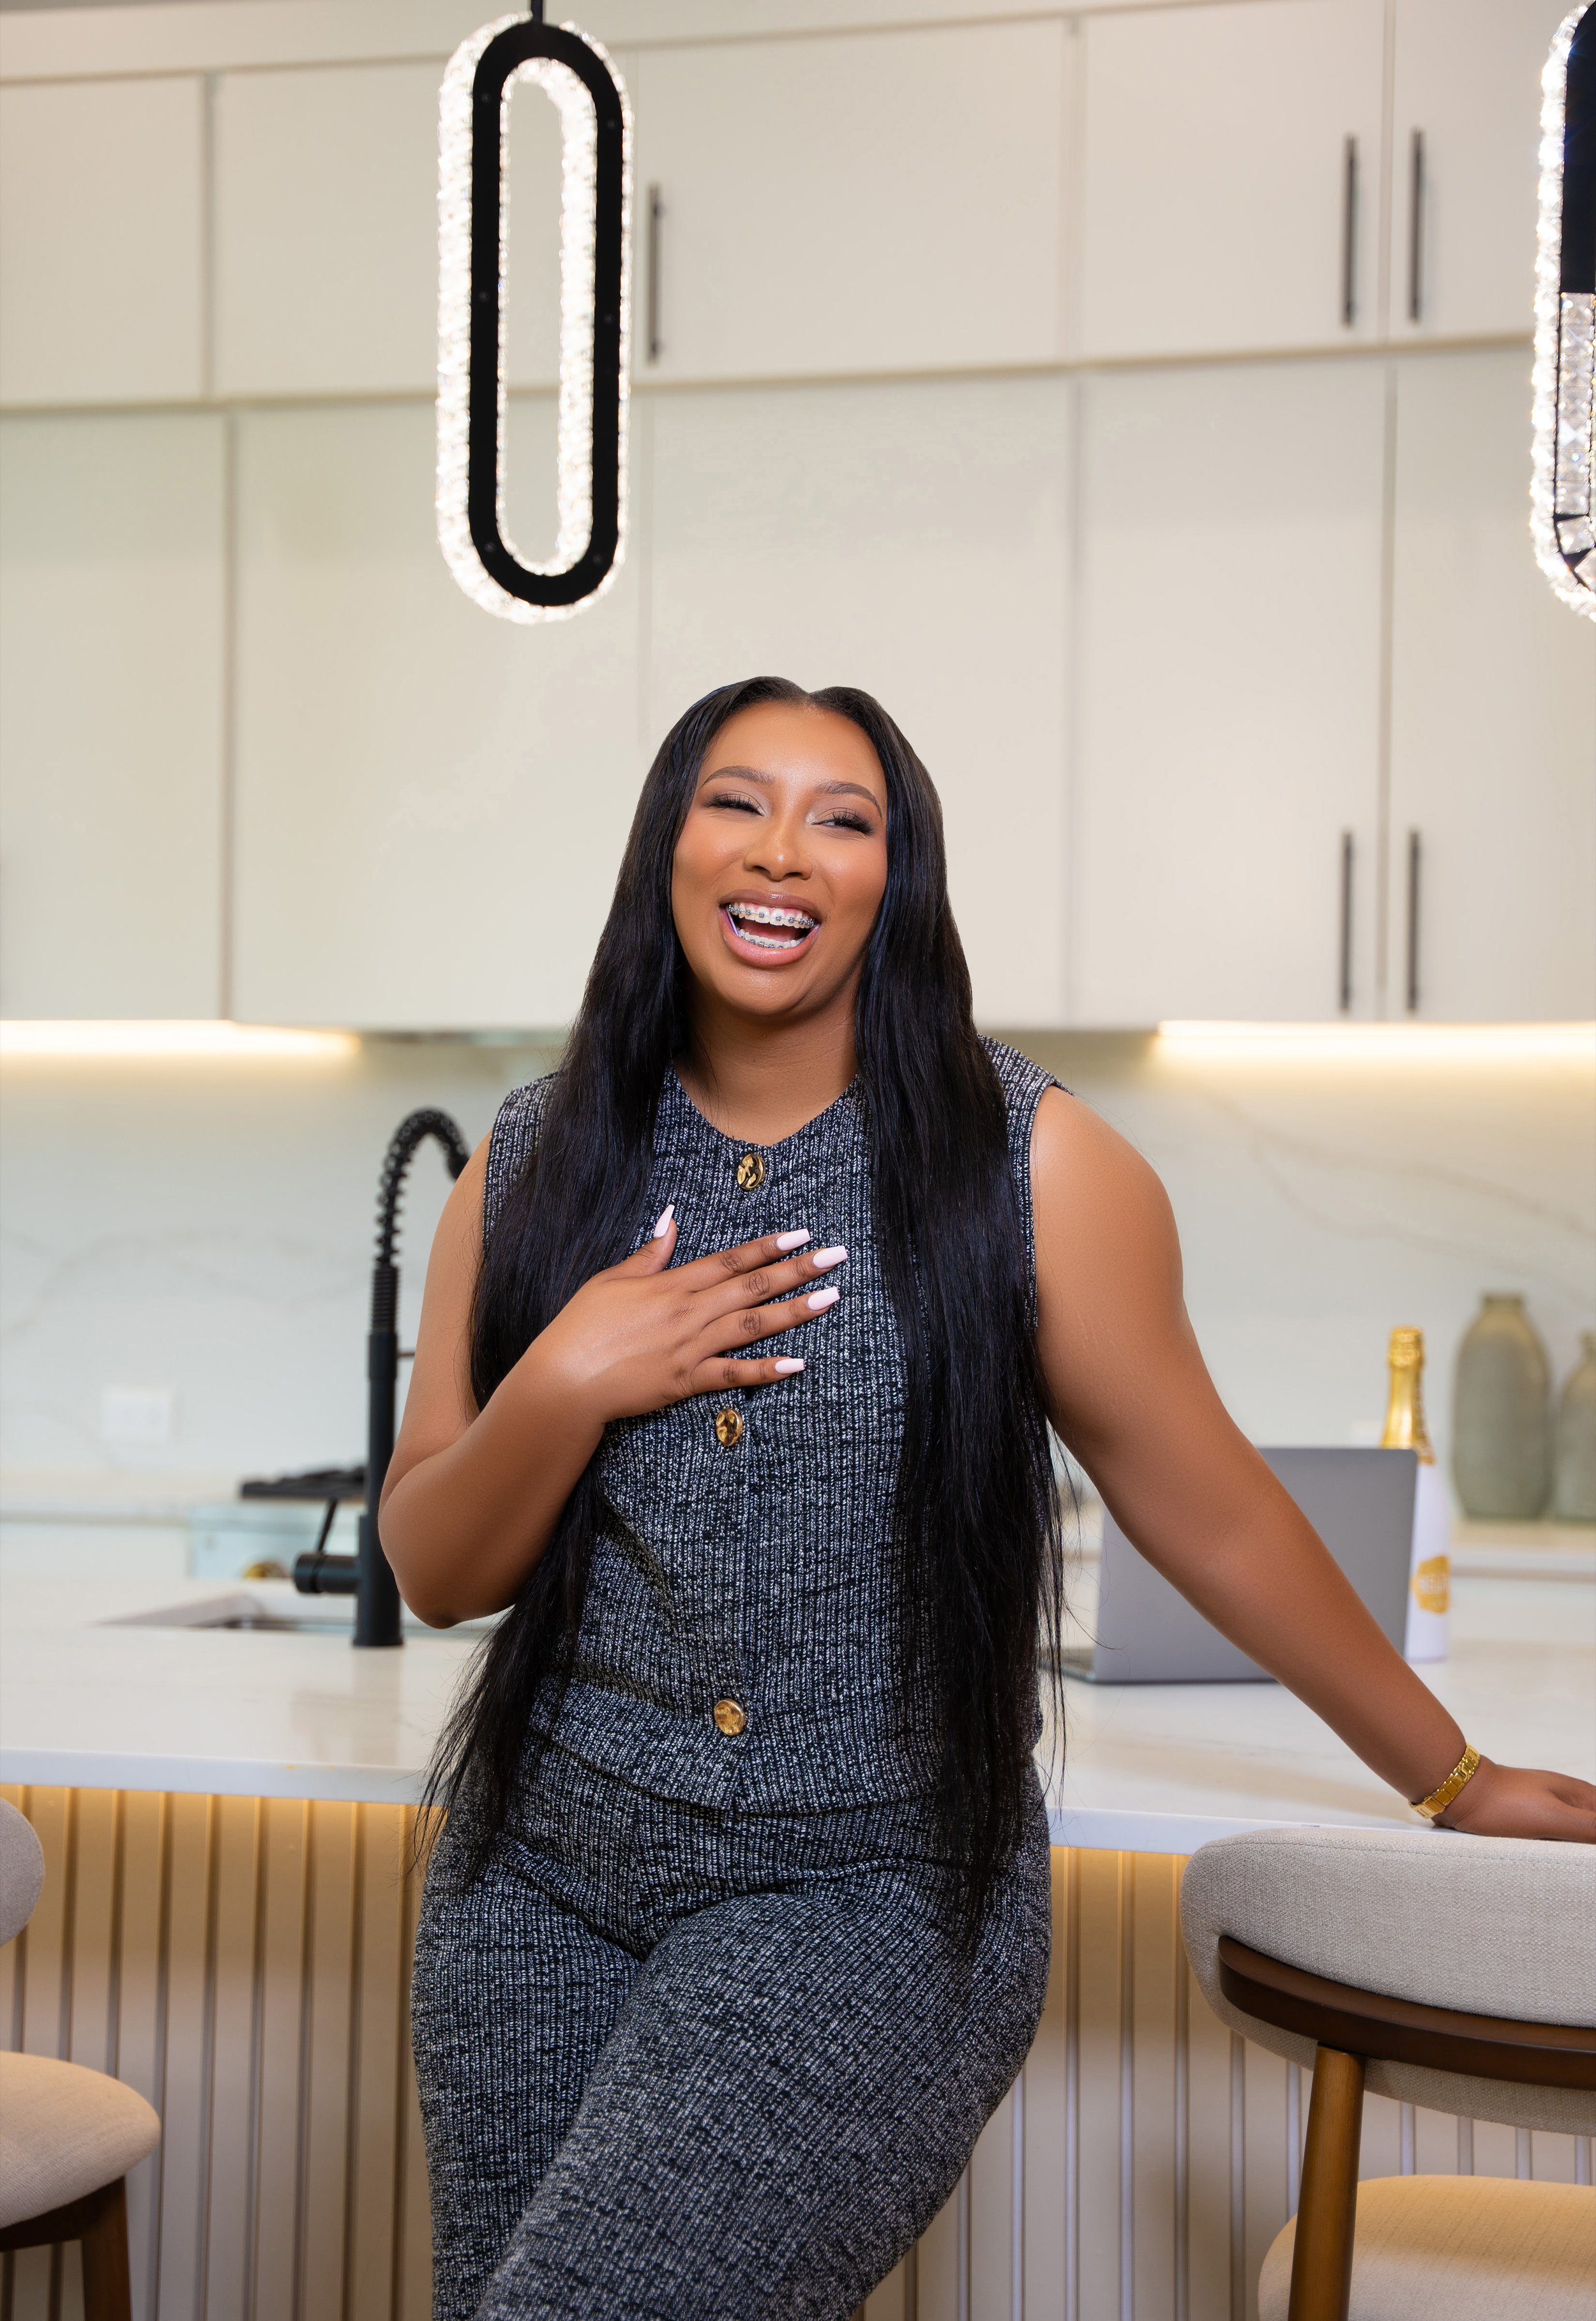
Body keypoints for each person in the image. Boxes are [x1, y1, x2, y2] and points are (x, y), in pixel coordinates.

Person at [382, 676, 1594, 2320]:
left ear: (901, 877)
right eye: (737, 801)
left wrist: (1454, 1777)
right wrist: (571, 1372)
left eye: (845, 818)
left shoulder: (1034, 1166)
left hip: (866, 1903)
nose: (784, 852)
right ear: (668, 843)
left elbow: (1211, 1510)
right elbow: (437, 1565)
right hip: (535, 1885)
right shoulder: (528, 1164)